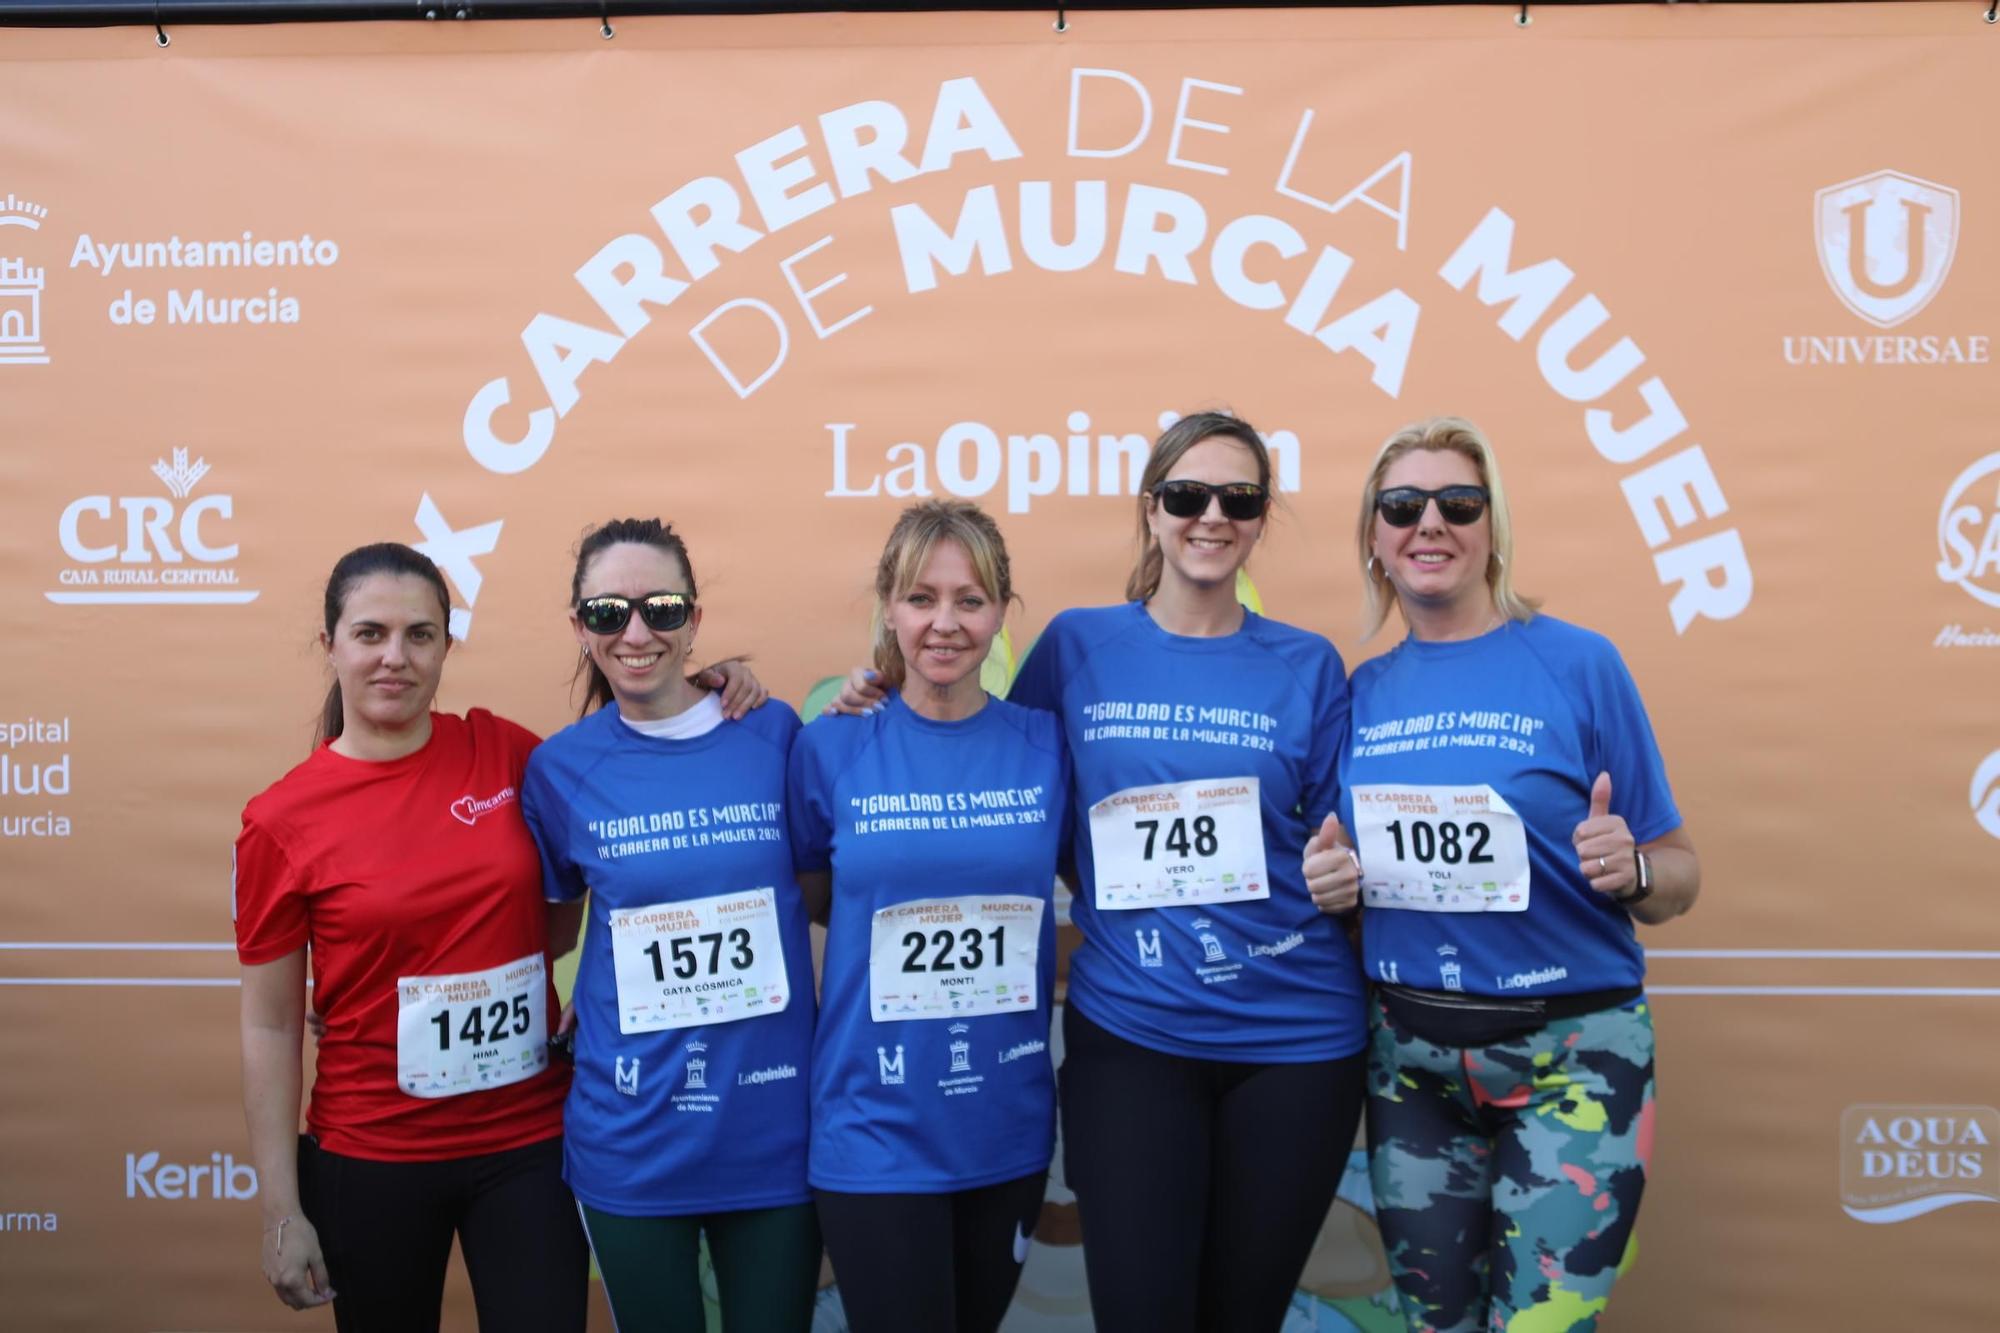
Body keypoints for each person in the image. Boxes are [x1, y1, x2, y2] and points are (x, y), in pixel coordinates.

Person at [1313, 416, 1701, 1333]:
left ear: (1493, 527)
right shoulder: (1361, 692)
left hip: (1574, 1059)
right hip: (1412, 1070)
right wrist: (1333, 886)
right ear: (1374, 538)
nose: (1430, 524)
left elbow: (1681, 875)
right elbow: (1351, 884)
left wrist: (1636, 866)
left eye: (1459, 502)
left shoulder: (1576, 662)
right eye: (1403, 506)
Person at [234, 542, 589, 1332]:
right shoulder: (281, 819)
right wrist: (280, 1209)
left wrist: (711, 690)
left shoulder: (506, 752)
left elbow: (562, 907)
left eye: (419, 634)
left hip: (530, 1142)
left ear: (445, 646)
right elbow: (270, 1020)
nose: (395, 656)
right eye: (370, 633)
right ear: (330, 644)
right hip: (371, 1153)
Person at [519, 518, 821, 1332]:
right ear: (580, 628)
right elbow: (547, 932)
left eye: (662, 606)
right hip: (633, 1137)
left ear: (695, 619)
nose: (638, 631)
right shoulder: (559, 769)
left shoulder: (774, 731)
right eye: (610, 612)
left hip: (774, 1132)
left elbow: (832, 893)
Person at [789, 500, 1070, 1333]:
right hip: (872, 1126)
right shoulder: (829, 746)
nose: (944, 623)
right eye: (921, 598)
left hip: (1004, 1125)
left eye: (970, 600)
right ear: (888, 606)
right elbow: (812, 901)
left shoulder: (1048, 743)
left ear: (1001, 613)